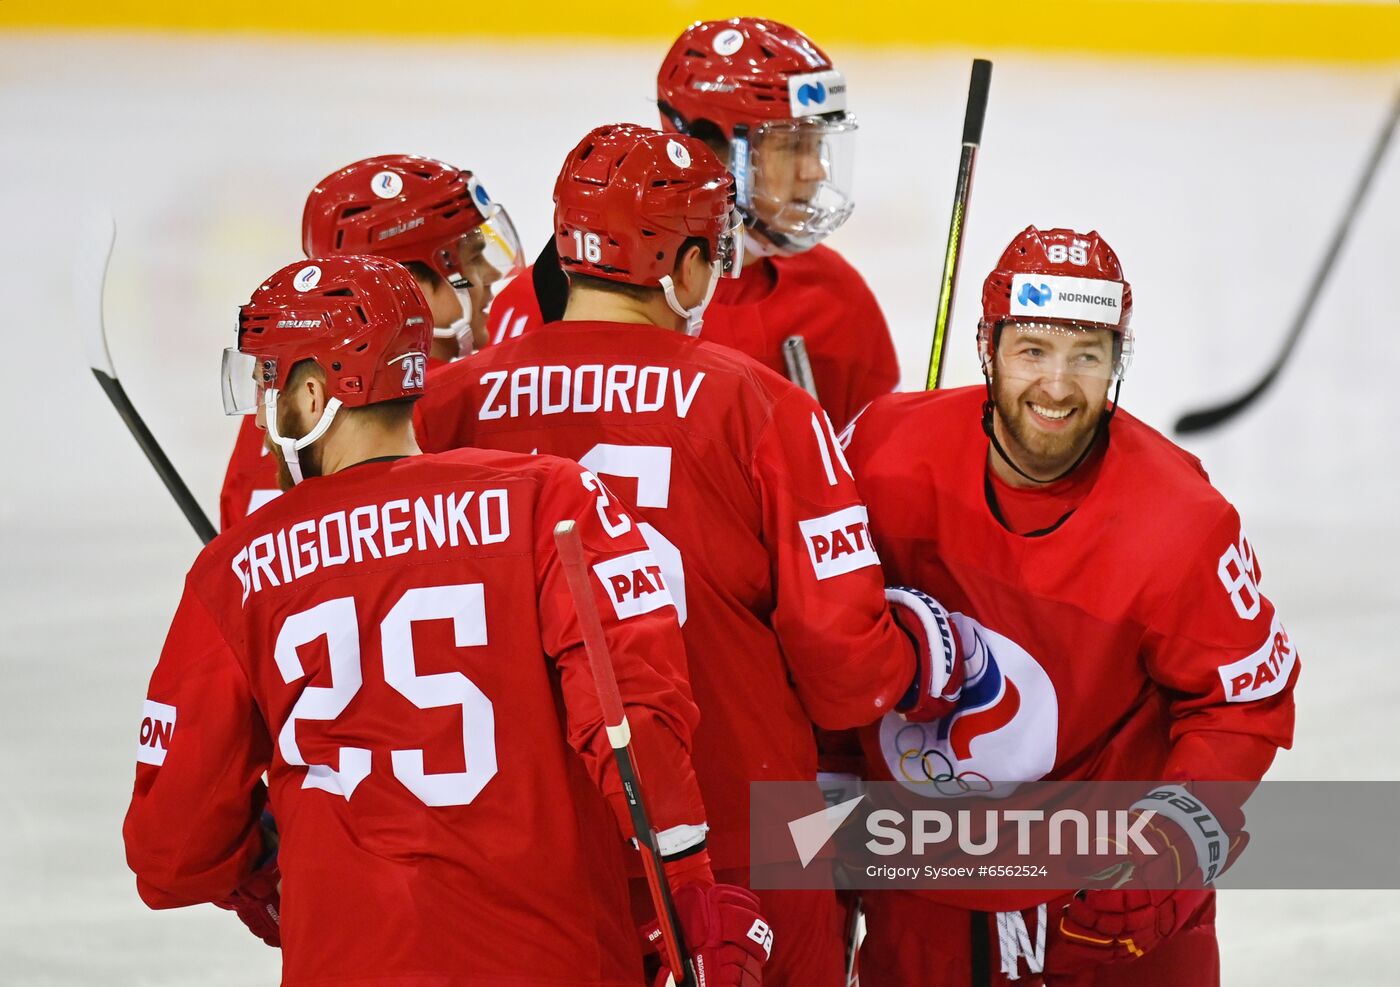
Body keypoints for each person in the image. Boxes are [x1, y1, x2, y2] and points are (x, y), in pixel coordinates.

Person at [124, 254, 770, 986]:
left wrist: (262, 871)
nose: (264, 420)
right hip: (555, 958)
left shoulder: (237, 568)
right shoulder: (547, 501)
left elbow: (169, 853)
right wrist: (689, 888)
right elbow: (634, 719)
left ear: (313, 394)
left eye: (269, 384)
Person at [415, 123, 962, 987]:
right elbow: (843, 666)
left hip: (523, 845)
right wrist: (933, 657)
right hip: (744, 831)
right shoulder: (763, 406)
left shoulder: (443, 407)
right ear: (688, 267)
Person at [842, 226, 1300, 985]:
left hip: (1103, 903)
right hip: (922, 891)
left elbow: (1243, 700)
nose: (1057, 386)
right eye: (1032, 350)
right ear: (987, 346)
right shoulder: (880, 451)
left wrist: (1178, 839)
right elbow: (813, 632)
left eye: (1086, 355)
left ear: (1118, 362)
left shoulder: (1181, 517)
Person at [485, 17, 899, 431]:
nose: (815, 171)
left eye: (817, 145)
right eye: (792, 145)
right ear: (708, 145)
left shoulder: (837, 300)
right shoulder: (559, 295)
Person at [219, 154, 524, 525]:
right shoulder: (447, 401)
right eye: (473, 258)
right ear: (407, 280)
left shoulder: (280, 411)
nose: (491, 273)